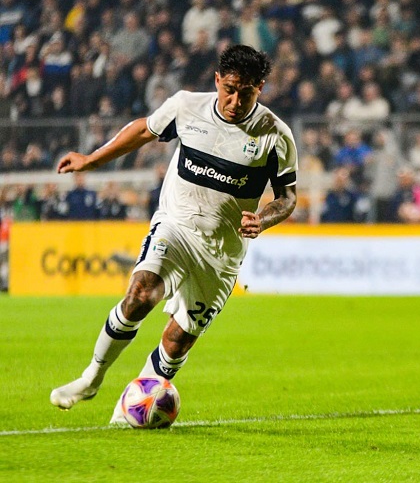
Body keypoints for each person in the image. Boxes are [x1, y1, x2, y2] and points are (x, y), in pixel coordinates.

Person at [49, 45, 298, 425]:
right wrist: (91, 160)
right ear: (217, 80)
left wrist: (263, 220)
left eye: (246, 92)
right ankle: (91, 378)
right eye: (229, 89)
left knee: (178, 339)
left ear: (260, 88)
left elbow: (287, 197)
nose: (235, 101)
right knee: (141, 293)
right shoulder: (186, 106)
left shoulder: (275, 135)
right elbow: (142, 130)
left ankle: (134, 405)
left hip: (221, 251)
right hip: (176, 225)